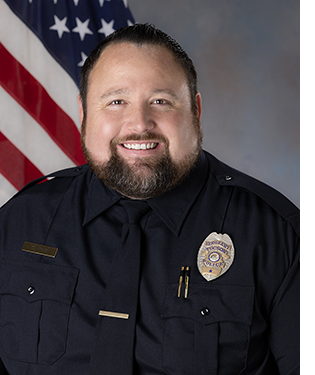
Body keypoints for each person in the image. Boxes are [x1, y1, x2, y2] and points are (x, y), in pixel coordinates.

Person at [0, 23, 299, 375]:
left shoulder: (275, 233)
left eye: (161, 101)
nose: (139, 123)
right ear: (83, 113)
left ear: (195, 111)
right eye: (116, 101)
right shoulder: (22, 220)